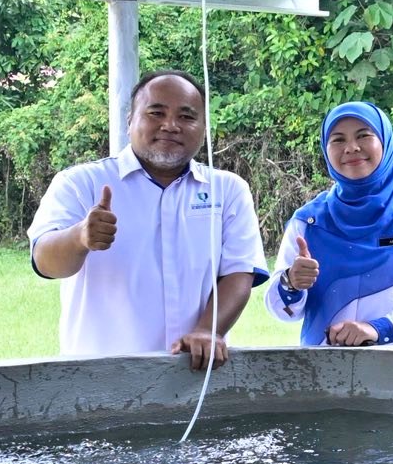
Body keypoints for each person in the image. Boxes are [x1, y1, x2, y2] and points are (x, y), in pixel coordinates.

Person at [27, 69, 267, 367]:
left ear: (204, 128)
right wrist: (79, 237)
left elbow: (239, 272)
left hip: (194, 373)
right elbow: (44, 261)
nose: (170, 125)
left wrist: (208, 330)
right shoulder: (80, 183)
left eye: (186, 116)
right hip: (97, 376)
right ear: (130, 120)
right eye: (156, 113)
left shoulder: (228, 189)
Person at [267, 101, 393, 346]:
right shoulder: (309, 223)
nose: (351, 147)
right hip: (320, 366)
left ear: (385, 142)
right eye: (338, 140)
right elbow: (282, 311)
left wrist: (379, 329)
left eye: (363, 135)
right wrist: (291, 283)